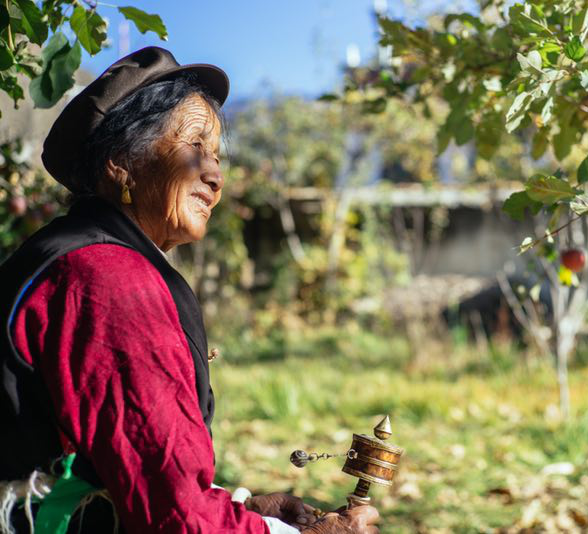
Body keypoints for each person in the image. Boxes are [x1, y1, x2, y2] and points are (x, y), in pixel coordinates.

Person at [0, 47, 380, 534]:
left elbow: (125, 467)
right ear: (122, 162)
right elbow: (177, 519)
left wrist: (247, 511)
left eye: (217, 155)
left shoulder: (73, 256)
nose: (216, 176)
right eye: (194, 145)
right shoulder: (107, 280)